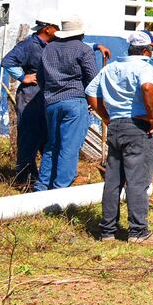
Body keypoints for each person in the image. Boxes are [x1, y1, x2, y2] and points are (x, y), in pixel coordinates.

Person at [86, 31, 153, 244]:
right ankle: (138, 232)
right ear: (146, 50)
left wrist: (105, 117)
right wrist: (150, 118)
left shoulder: (110, 68)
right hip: (137, 126)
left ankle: (107, 231)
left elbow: (91, 92)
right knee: (137, 180)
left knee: (113, 180)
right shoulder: (145, 67)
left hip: (116, 126)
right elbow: (147, 87)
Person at [34, 14, 100, 191]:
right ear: (80, 33)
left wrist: (49, 93)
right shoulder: (83, 49)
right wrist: (93, 101)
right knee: (69, 146)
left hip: (51, 102)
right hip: (74, 101)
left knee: (51, 145)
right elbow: (93, 78)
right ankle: (61, 188)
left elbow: (40, 77)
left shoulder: (48, 48)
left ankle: (42, 186)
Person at [0, 8, 59, 188]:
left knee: (44, 135)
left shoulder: (52, 44)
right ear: (47, 28)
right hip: (29, 96)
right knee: (28, 136)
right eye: (56, 27)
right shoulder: (29, 45)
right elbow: (7, 61)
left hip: (44, 96)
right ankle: (24, 177)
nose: (58, 30)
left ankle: (42, 175)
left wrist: (96, 47)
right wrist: (23, 77)